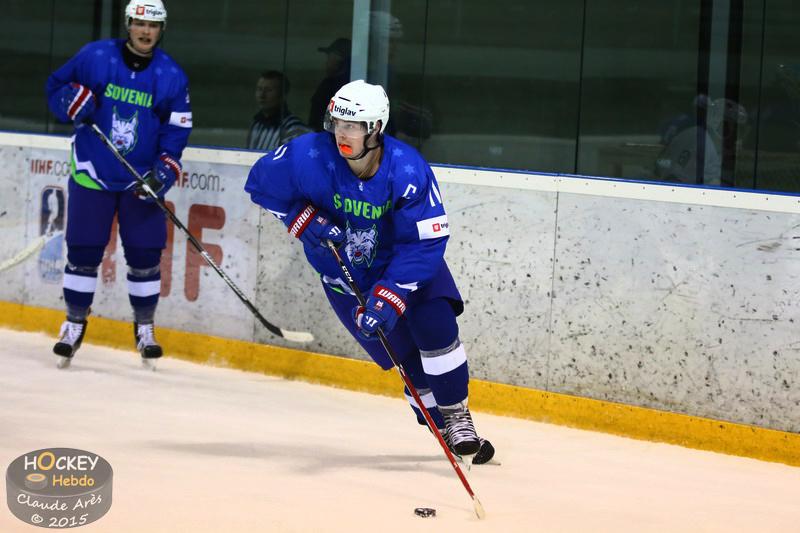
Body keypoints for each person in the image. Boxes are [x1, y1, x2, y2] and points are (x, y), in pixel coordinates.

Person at [245, 80, 495, 464]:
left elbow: (425, 242)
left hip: (407, 266)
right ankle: (440, 425)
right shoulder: (308, 155)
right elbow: (260, 183)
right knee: (407, 359)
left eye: (352, 126)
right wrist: (299, 218)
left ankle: (458, 416)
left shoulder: (407, 169)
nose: (341, 134)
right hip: (348, 279)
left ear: (376, 128)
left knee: (436, 329)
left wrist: (392, 292)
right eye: (337, 123)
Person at [45, 0, 192, 369]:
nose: (146, 31)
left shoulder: (171, 76)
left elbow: (176, 131)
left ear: (161, 29)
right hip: (92, 172)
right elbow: (55, 86)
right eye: (140, 23)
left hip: (138, 181)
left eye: (153, 25)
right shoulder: (95, 57)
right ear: (128, 24)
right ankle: (73, 324)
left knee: (145, 255)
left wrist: (165, 168)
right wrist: (68, 101)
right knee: (83, 252)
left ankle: (145, 328)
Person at [245, 70, 310, 151]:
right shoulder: (256, 124)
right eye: (259, 89)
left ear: (283, 95)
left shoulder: (294, 128)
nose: (262, 95)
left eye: (269, 90)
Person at [308, 38, 351, 132]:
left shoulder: (330, 85)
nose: (327, 62)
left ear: (339, 59)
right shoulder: (346, 84)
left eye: (330, 57)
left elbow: (317, 119)